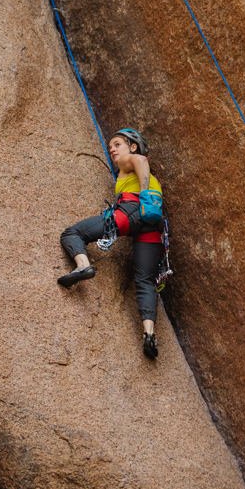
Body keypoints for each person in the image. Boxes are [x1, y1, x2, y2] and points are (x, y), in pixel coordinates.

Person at [57, 127, 167, 360]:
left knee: (71, 234)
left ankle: (83, 265)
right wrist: (148, 199)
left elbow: (140, 159)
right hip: (153, 226)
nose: (112, 149)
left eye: (117, 144)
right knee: (145, 280)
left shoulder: (130, 163)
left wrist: (144, 194)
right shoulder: (147, 178)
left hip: (132, 211)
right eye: (110, 147)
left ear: (132, 146)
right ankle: (149, 333)